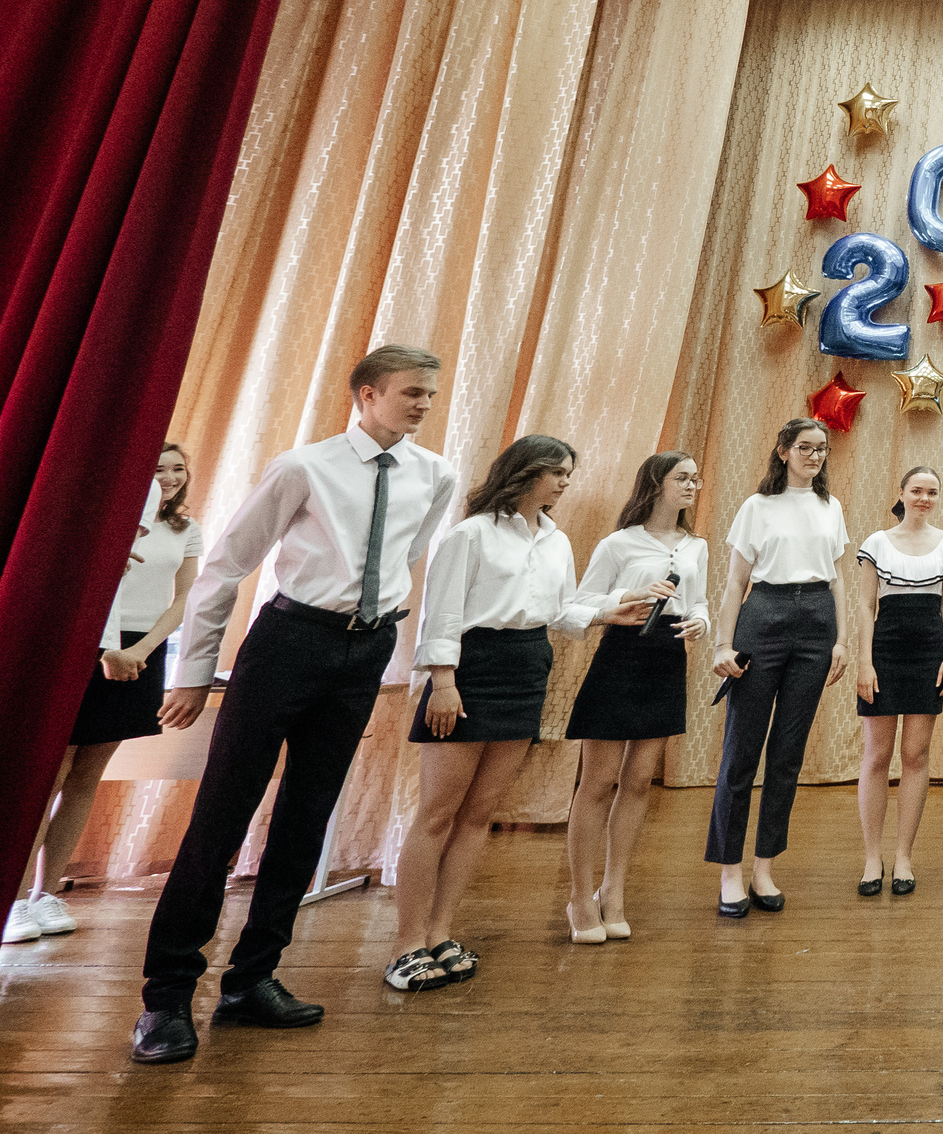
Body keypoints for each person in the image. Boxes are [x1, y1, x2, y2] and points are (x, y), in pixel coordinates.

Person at [133, 346, 459, 1065]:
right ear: (367, 394)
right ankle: (165, 997)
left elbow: (406, 559)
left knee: (306, 816)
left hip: (363, 650)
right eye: (411, 392)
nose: (424, 405)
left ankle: (252, 979)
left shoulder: (435, 475)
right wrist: (191, 672)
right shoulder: (303, 466)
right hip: (286, 641)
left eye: (431, 395)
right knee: (221, 815)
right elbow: (225, 564)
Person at [388, 436, 651, 991]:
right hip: (469, 668)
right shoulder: (471, 533)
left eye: (567, 475)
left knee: (480, 814)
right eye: (554, 472)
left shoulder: (554, 540)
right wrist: (442, 681)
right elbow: (442, 612)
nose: (562, 483)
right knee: (437, 812)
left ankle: (440, 933)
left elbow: (560, 610)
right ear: (523, 471)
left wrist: (611, 609)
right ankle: (406, 945)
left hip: (528, 666)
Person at [10, 445, 199, 945]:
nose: (170, 478)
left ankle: (46, 894)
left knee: (87, 776)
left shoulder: (185, 528)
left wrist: (142, 649)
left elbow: (186, 597)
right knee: (51, 775)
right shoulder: (108, 521)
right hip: (90, 648)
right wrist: (109, 649)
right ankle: (11, 901)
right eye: (159, 468)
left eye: (178, 469)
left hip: (141, 653)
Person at [561, 451, 709, 943]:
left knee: (640, 780)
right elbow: (579, 604)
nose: (693, 485)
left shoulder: (697, 546)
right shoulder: (618, 544)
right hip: (622, 653)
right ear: (656, 483)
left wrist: (701, 622)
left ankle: (614, 890)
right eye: (682, 478)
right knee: (598, 781)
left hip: (667, 657)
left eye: (695, 479)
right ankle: (581, 897)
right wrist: (625, 597)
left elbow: (701, 601)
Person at [708, 418, 850, 917]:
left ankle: (764, 868)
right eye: (806, 447)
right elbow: (734, 584)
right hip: (763, 617)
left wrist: (841, 640)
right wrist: (723, 643)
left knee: (788, 755)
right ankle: (730, 871)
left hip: (816, 624)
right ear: (783, 450)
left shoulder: (830, 507)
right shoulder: (756, 506)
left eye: (822, 449)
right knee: (741, 753)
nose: (815, 456)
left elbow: (836, 582)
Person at [854, 466, 943, 898]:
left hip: (928, 654)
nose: (924, 498)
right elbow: (865, 606)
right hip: (884, 650)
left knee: (916, 754)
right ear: (902, 493)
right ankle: (871, 858)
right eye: (917, 490)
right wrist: (865, 662)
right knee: (877, 754)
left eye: (931, 492)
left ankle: (903, 857)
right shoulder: (876, 543)